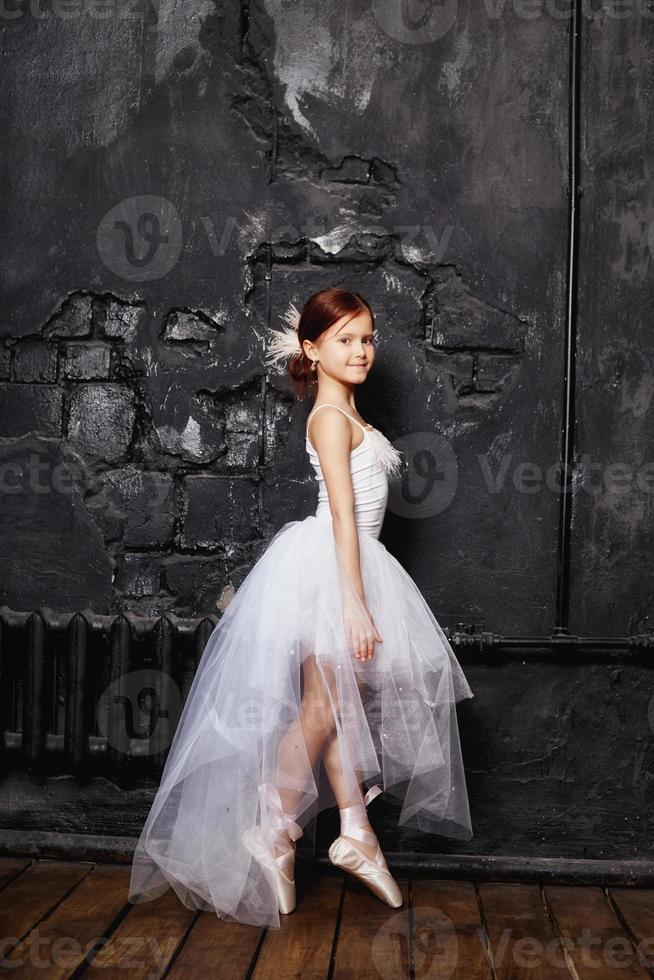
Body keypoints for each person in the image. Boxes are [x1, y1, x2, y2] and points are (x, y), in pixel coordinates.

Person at [128, 287, 474, 929]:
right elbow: (343, 515)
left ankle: (353, 830)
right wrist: (354, 603)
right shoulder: (329, 419)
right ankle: (274, 828)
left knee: (338, 705)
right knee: (322, 708)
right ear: (312, 351)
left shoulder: (350, 415)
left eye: (366, 338)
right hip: (330, 568)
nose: (361, 350)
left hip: (351, 562)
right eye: (345, 340)